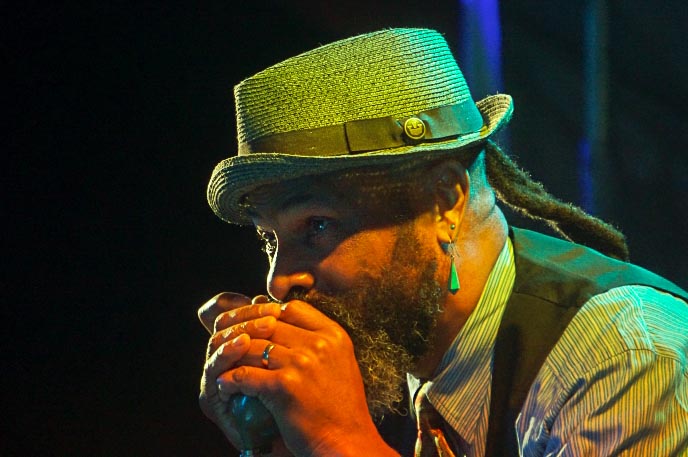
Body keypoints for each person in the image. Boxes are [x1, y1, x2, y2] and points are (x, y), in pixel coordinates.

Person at [197, 28, 688, 456]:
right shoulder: (414, 342)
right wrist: (283, 447)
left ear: (445, 201)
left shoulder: (621, 355)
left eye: (317, 225)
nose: (279, 281)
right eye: (269, 238)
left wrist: (338, 440)